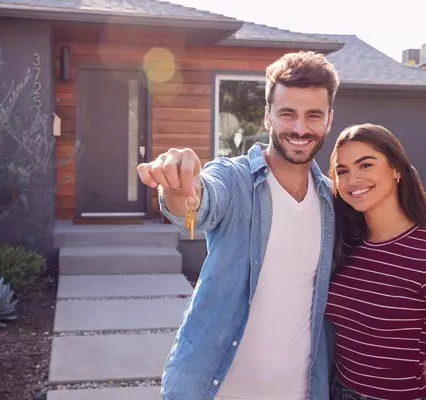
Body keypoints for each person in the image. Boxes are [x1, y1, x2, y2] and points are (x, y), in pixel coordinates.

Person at [136, 51, 340, 400]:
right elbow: (200, 202)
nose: (300, 129)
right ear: (267, 116)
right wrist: (179, 188)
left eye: (313, 116)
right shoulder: (235, 179)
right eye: (287, 114)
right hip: (216, 391)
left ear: (329, 120)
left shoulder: (332, 201)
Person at [325, 123, 426, 400]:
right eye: (342, 171)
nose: (353, 180)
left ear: (397, 169)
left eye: (366, 165)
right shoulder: (345, 245)